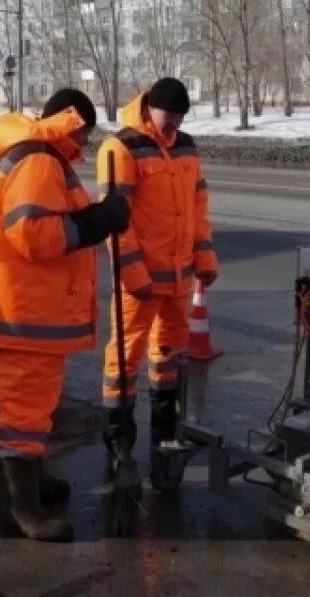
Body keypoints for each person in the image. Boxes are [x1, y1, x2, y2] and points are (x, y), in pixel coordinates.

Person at [0, 88, 130, 543]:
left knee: (34, 406)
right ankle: (22, 510)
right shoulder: (38, 159)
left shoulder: (43, 157)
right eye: (86, 129)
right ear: (72, 121)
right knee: (23, 410)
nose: (86, 139)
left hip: (33, 311)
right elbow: (34, 235)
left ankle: (32, 482)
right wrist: (101, 220)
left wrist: (99, 216)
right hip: (26, 313)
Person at [96, 77, 218, 484]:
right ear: (150, 109)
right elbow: (116, 222)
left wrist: (204, 258)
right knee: (125, 360)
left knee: (168, 357)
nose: (175, 124)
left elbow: (197, 210)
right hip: (141, 282)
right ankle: (118, 442)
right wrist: (133, 275)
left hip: (178, 281)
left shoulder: (186, 147)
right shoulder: (122, 148)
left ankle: (165, 435)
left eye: (182, 117)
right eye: (170, 115)